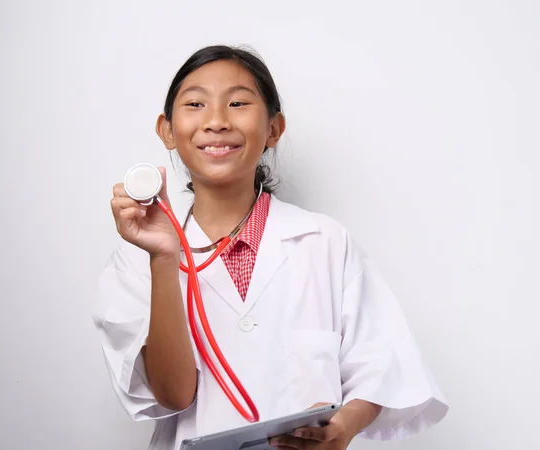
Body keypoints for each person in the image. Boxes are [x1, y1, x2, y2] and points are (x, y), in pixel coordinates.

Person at [93, 45, 448, 450]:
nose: (216, 121)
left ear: (274, 129)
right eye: (195, 104)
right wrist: (164, 257)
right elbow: (174, 395)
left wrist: (342, 427)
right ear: (168, 131)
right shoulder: (139, 256)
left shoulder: (325, 242)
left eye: (239, 103)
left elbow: (381, 363)